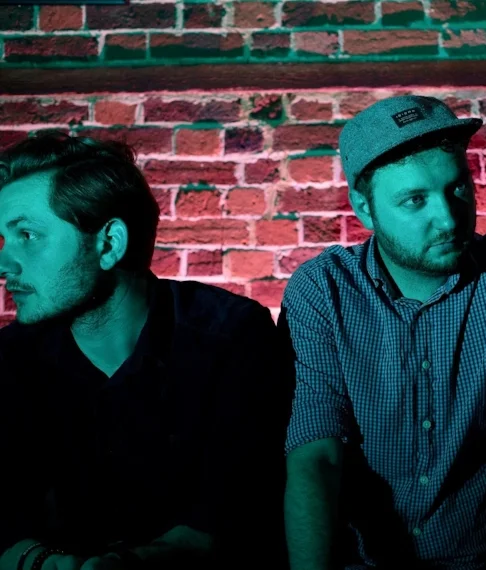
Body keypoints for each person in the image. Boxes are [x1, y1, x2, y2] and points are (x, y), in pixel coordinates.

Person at [280, 95, 486, 570]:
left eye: (457, 189)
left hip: (482, 561)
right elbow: (316, 453)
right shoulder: (322, 289)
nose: (449, 219)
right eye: (415, 200)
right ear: (365, 210)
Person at [0, 132, 290, 570]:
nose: (5, 263)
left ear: (109, 243)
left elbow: (235, 516)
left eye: (27, 235)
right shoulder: (13, 359)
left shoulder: (229, 337)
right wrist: (39, 561)